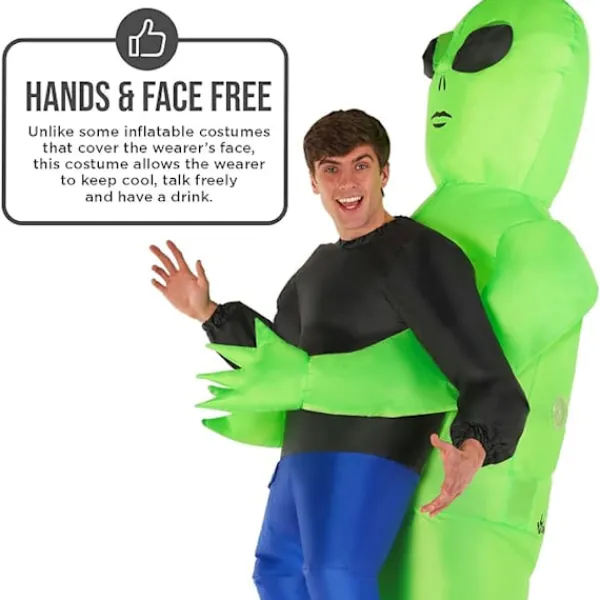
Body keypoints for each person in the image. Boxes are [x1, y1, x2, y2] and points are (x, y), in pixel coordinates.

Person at [149, 108, 529, 600]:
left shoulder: (417, 252)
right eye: (331, 169)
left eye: (360, 165)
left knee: (336, 574)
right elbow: (281, 362)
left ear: (384, 173)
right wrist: (208, 312)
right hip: (302, 449)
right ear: (314, 182)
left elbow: (477, 357)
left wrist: (475, 445)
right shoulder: (313, 271)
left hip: (372, 448)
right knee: (277, 575)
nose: (346, 182)